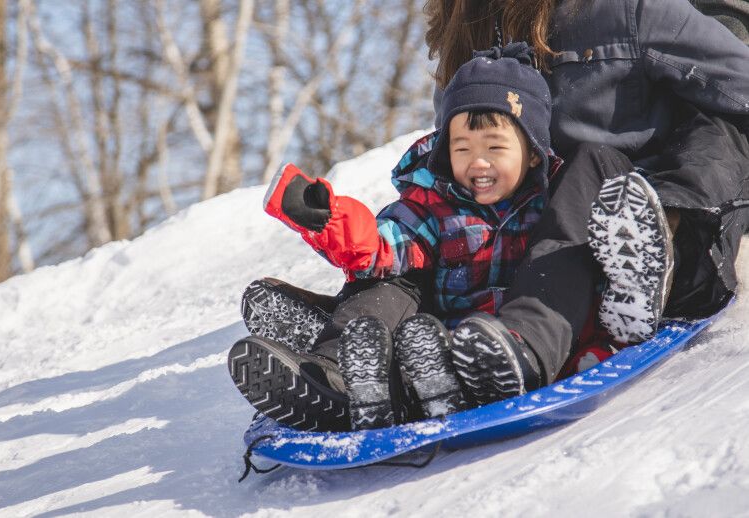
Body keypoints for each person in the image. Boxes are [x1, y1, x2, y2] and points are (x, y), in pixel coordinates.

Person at [230, 42, 672, 431]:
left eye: (495, 148)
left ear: (534, 153)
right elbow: (384, 244)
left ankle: (478, 364)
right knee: (387, 278)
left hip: (515, 343)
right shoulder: (433, 203)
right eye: (462, 149)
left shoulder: (555, 200)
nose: (477, 163)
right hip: (439, 343)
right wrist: (327, 218)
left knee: (559, 263)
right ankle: (339, 373)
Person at [423, 0, 749, 389]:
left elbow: (737, 82)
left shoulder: (624, 11)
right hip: (518, 232)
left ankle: (657, 250)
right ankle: (352, 360)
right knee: (416, 217)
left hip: (629, 210)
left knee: (709, 133)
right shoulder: (465, 38)